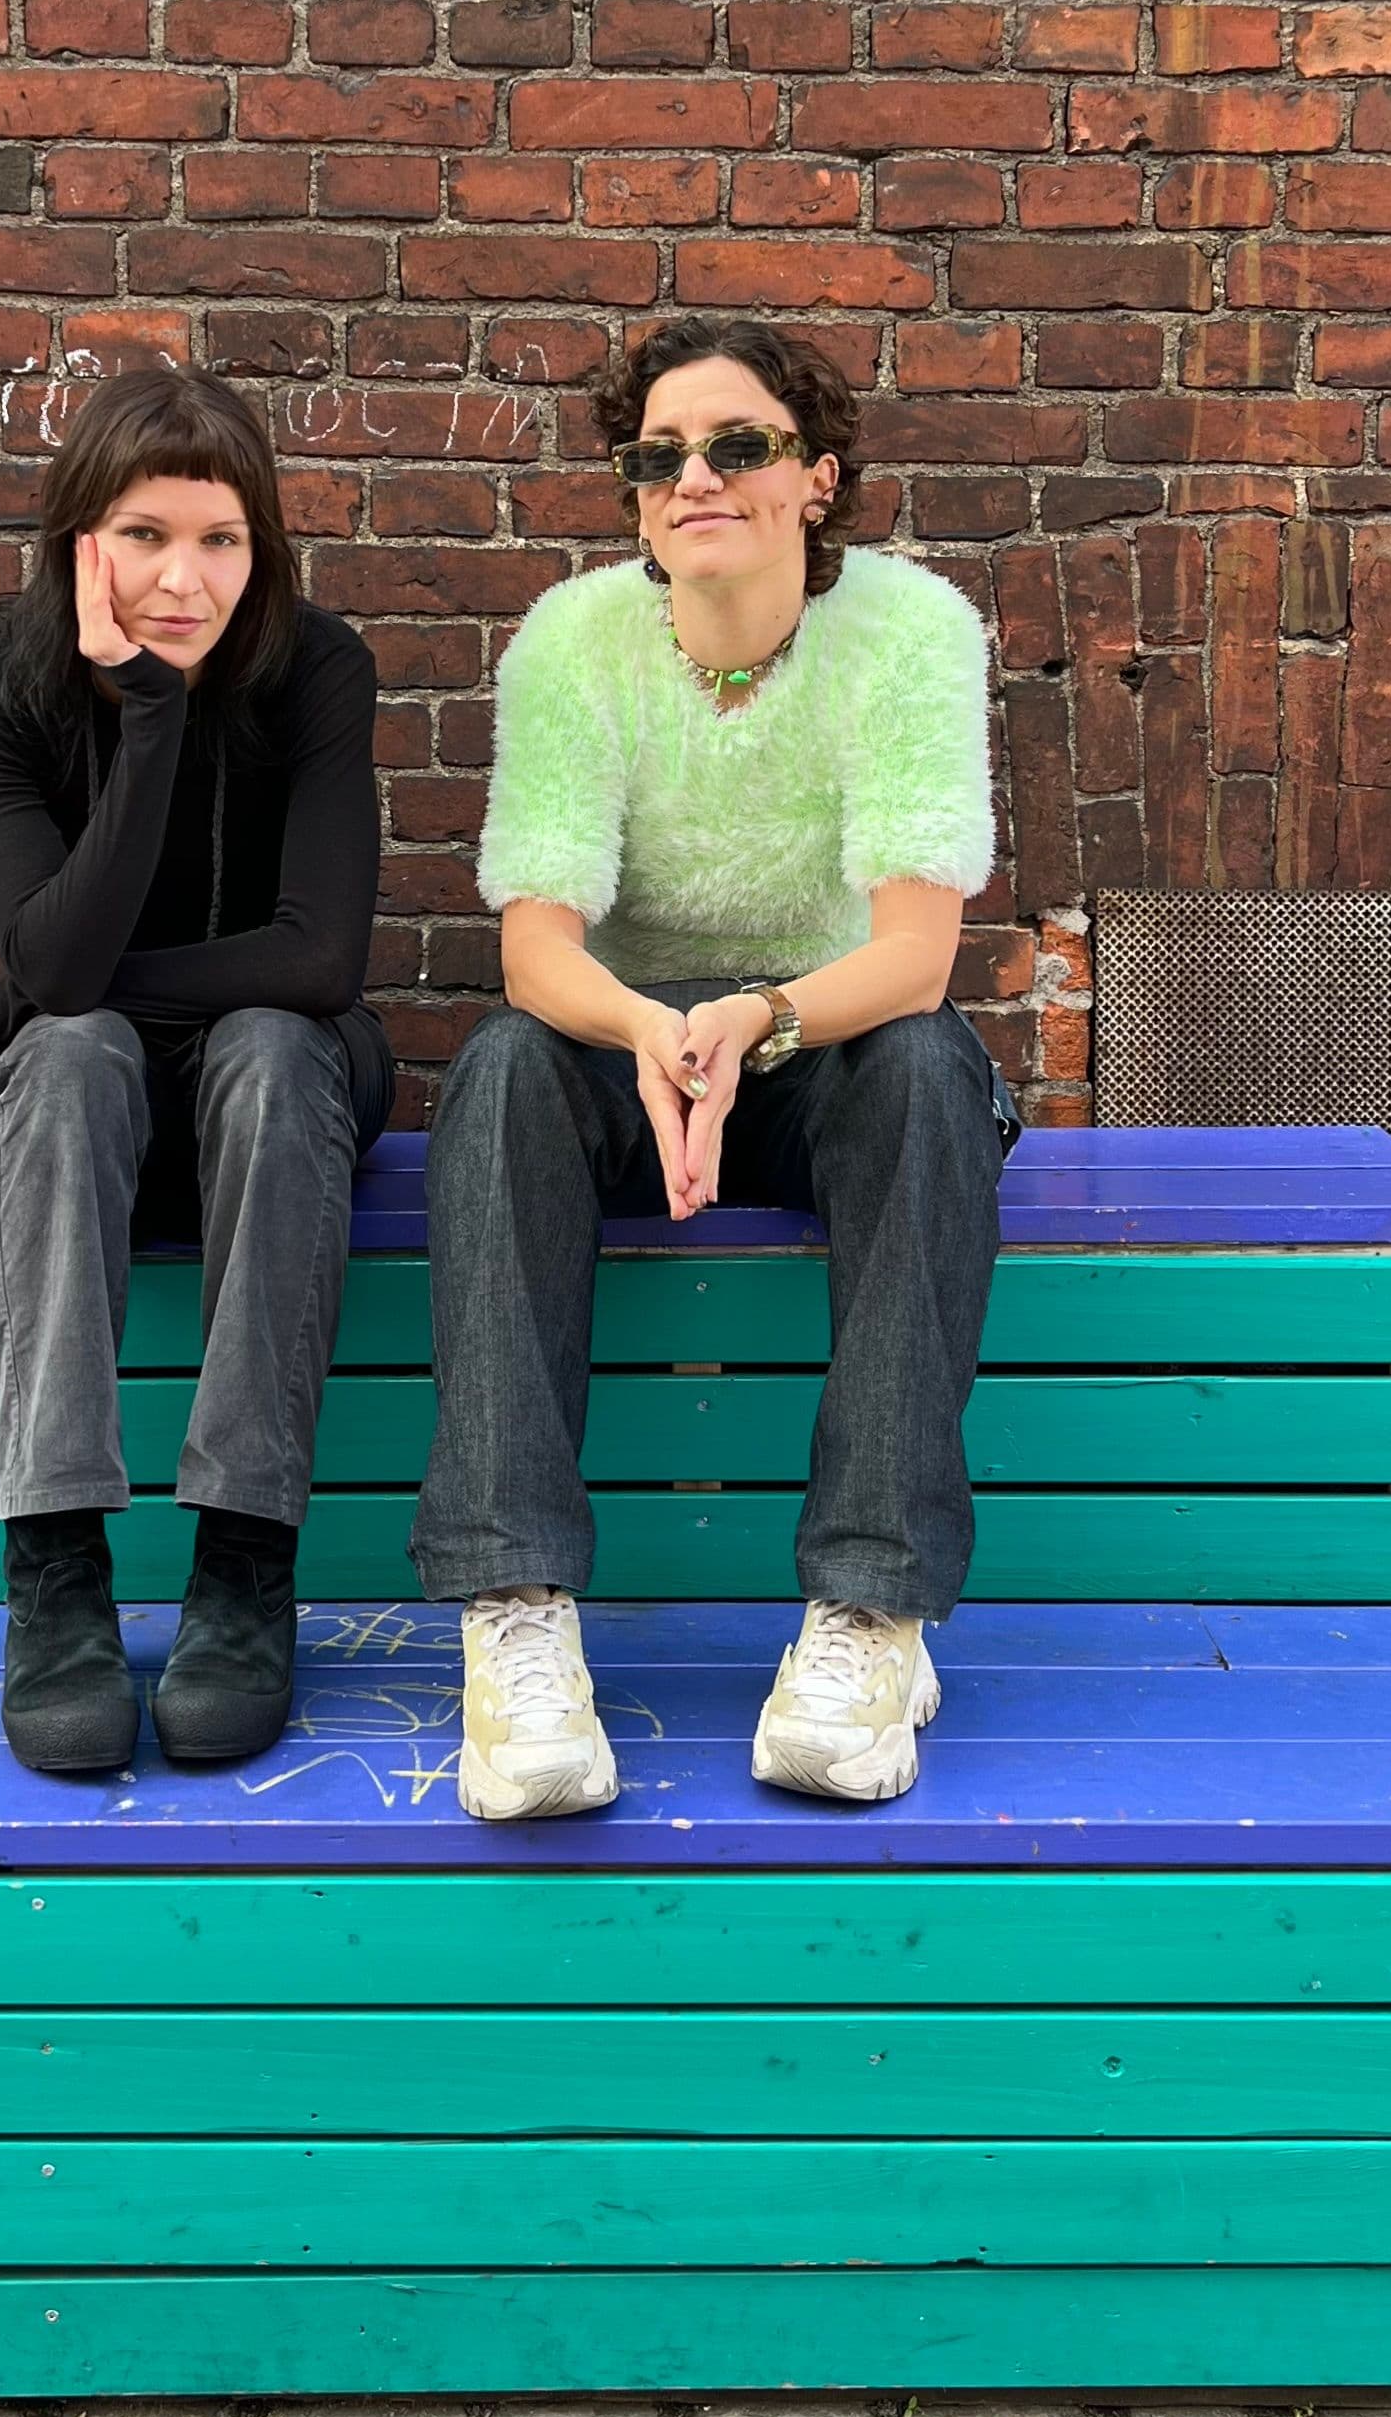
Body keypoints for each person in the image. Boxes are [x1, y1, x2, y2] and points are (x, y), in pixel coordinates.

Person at [411, 314, 1012, 1821]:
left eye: (738, 445)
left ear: (816, 478)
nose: (695, 477)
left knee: (930, 1073)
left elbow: (917, 955)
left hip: (830, 1036)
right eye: (659, 455)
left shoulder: (910, 630)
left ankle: (871, 1614)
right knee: (500, 1072)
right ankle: (515, 1615)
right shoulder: (573, 640)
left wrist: (757, 1018)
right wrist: (649, 1033)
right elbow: (535, 950)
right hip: (632, 1043)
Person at [0, 363, 391, 1780]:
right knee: (71, 1055)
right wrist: (145, 716)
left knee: (264, 1042)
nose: (185, 579)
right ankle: (55, 1571)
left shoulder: (317, 668)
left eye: (220, 539)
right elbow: (65, 982)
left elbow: (319, 961)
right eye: (144, 535)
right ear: (80, 541)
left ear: (261, 547)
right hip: (74, 1107)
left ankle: (244, 1566)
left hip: (280, 1091)